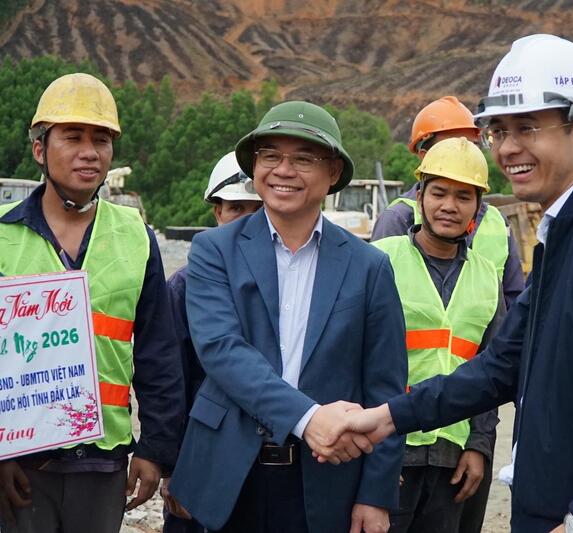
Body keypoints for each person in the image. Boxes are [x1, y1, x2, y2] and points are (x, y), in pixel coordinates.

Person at [330, 34, 573, 533]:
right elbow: (501, 365)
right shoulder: (563, 233)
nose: (507, 148)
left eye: (527, 128)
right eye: (498, 131)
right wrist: (389, 417)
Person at [167, 101, 407, 533]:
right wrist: (309, 418)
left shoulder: (368, 267)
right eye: (271, 156)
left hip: (325, 482)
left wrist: (375, 493)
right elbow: (222, 351)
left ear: (333, 172)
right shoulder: (214, 251)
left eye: (303, 159)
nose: (283, 170)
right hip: (227, 475)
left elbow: (384, 387)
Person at [0, 73, 183, 533]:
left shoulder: (135, 236)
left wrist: (155, 447)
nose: (89, 151)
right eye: (73, 137)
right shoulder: (3, 236)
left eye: (101, 139)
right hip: (22, 464)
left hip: (102, 461)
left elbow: (158, 352)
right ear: (40, 149)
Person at [372, 137, 503, 533]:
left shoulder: (487, 277)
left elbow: (494, 371)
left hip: (453, 455)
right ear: (420, 197)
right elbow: (354, 358)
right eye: (439, 193)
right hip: (389, 441)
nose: (449, 205)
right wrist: (375, 455)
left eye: (463, 196)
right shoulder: (381, 259)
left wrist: (479, 446)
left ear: (477, 207)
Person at [160, 151, 263, 532]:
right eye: (236, 208)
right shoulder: (183, 288)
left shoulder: (293, 286)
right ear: (217, 212)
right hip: (201, 457)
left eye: (257, 209)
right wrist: (172, 466)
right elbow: (170, 382)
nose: (246, 219)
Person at [372, 96, 524, 312]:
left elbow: (514, 305)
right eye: (450, 146)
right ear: (424, 156)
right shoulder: (398, 218)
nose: (462, 155)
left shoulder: (497, 222)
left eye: (471, 147)